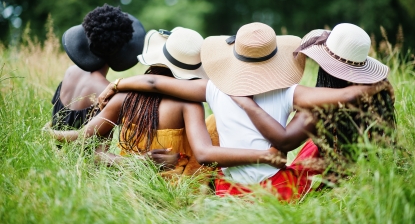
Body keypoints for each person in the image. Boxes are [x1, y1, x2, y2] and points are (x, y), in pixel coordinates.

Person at [97, 22, 391, 200]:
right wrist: (378, 85)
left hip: (229, 190)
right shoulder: (290, 92)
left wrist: (117, 83)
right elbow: (350, 93)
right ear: (274, 60)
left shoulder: (214, 88)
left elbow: (155, 82)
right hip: (278, 190)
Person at [51, 27, 286, 176]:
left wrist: (49, 133)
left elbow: (88, 143)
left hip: (131, 180)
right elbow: (203, 152)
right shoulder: (189, 104)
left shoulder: (124, 98)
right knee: (214, 124)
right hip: (177, 178)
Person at [230, 23, 395, 180]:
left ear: (325, 70)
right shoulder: (375, 99)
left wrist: (246, 103)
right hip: (367, 174)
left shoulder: (318, 109)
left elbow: (284, 142)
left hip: (331, 176)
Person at [50, 4, 145, 130]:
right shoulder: (107, 92)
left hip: (52, 148)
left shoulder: (70, 72)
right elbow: (100, 149)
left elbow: (55, 119)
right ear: (121, 50)